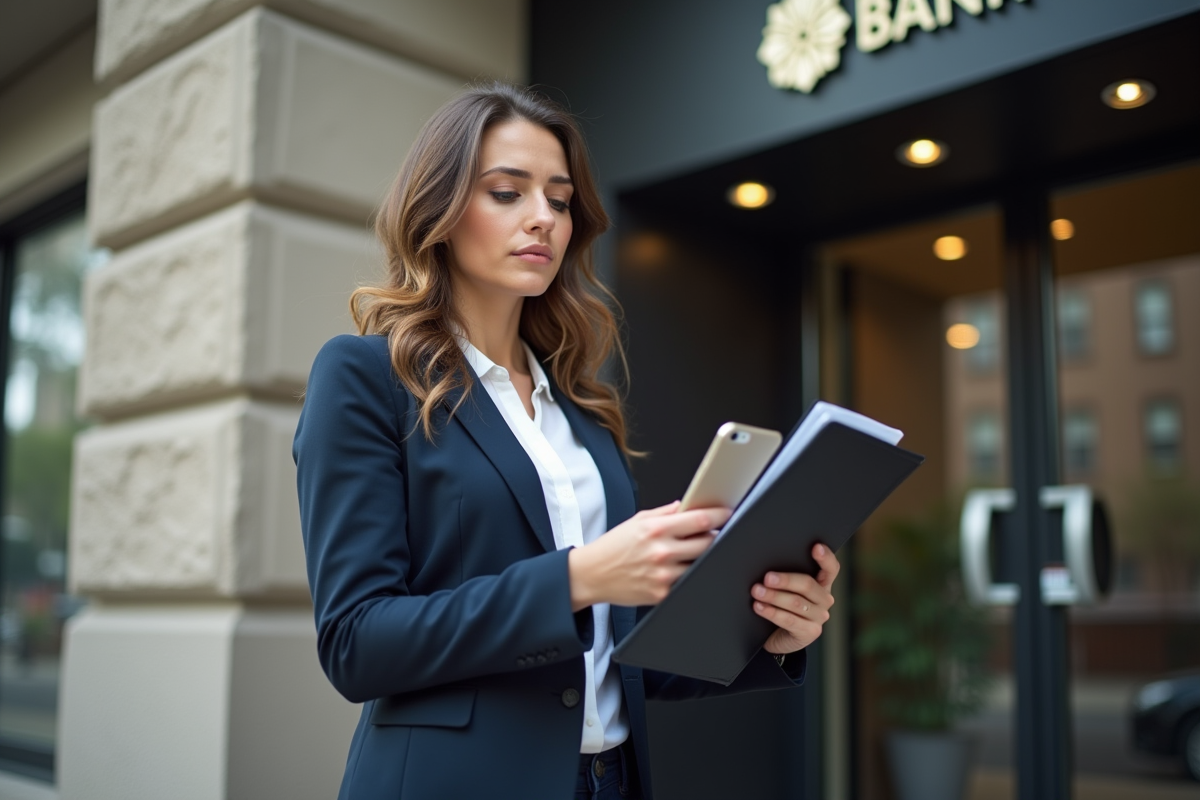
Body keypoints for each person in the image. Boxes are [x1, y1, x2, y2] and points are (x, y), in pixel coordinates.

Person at [293, 82, 840, 800]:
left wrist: (768, 636)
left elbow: (620, 655)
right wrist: (579, 577)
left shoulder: (581, 408)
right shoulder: (366, 376)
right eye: (506, 193)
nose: (542, 218)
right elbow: (356, 642)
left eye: (559, 199)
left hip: (610, 779)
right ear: (439, 209)